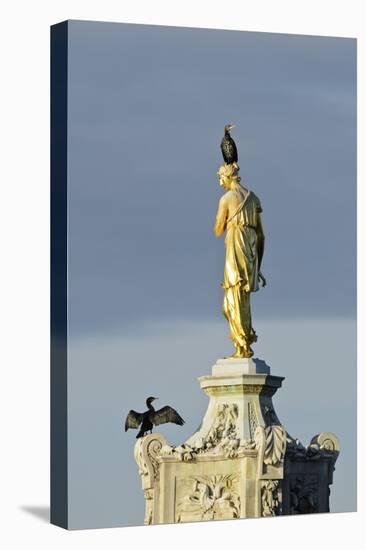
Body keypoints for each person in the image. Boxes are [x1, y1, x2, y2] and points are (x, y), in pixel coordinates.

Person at [214, 162, 266, 358]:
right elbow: (261, 236)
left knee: (232, 299)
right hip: (251, 251)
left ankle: (242, 344)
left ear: (228, 176)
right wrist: (258, 265)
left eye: (220, 177)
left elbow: (218, 230)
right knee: (241, 297)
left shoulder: (227, 199)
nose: (220, 183)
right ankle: (244, 342)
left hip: (236, 246)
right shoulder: (253, 199)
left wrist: (226, 221)